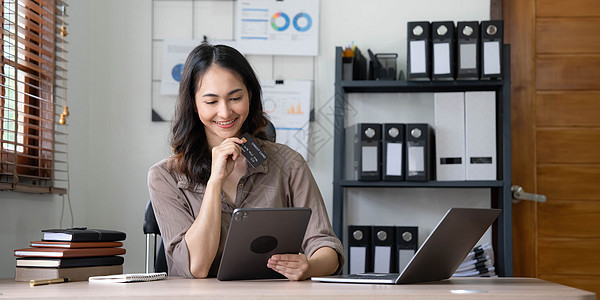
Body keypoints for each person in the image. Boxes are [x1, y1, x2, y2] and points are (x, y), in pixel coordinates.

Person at [147, 43, 344, 280]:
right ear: (193, 103)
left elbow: (327, 248)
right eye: (211, 102)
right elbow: (196, 268)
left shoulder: (289, 164)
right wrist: (215, 182)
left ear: (250, 95)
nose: (225, 112)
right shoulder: (165, 176)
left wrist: (309, 266)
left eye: (235, 98)